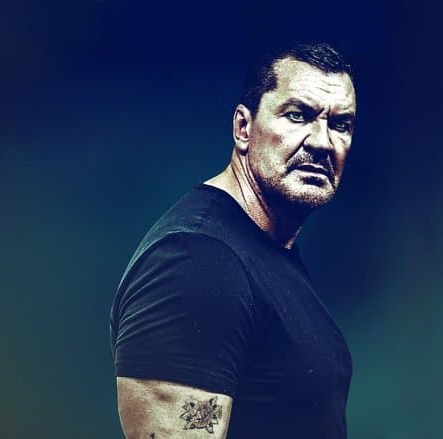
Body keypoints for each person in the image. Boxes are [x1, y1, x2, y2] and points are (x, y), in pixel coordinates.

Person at [110, 42, 357, 438]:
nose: (322, 142)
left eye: (340, 124)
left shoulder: (268, 249)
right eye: (298, 115)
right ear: (244, 128)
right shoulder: (198, 261)